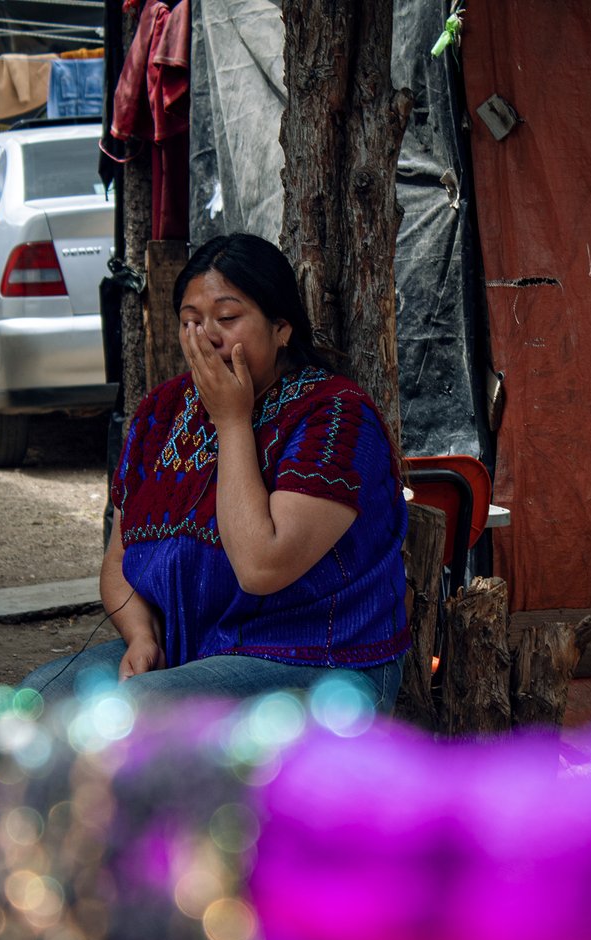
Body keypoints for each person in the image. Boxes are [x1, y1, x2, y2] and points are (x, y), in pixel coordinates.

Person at [22, 233, 411, 708]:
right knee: (36, 701)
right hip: (188, 654)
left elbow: (261, 566)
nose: (207, 336)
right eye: (191, 321)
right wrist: (141, 634)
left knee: (138, 713)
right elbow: (119, 560)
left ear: (281, 327)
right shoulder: (159, 412)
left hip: (319, 662)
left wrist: (231, 420)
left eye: (227, 318)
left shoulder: (336, 417)